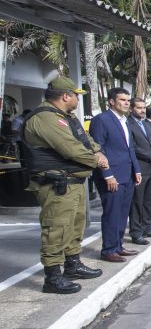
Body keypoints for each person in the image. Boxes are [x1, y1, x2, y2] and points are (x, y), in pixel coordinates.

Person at [21, 76, 106, 293]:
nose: (78, 99)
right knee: (56, 228)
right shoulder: (45, 118)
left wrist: (96, 151)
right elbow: (69, 148)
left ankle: (72, 265)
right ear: (66, 96)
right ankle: (52, 277)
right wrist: (97, 160)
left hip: (72, 182)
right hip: (55, 183)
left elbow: (85, 140)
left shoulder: (66, 117)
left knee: (74, 226)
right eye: (76, 95)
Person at [89, 88, 142, 263]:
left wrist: (137, 170)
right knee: (112, 213)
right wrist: (107, 175)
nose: (127, 103)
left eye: (128, 100)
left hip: (127, 174)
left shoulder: (124, 120)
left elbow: (129, 148)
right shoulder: (101, 120)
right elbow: (98, 149)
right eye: (122, 100)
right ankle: (109, 249)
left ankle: (118, 245)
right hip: (112, 176)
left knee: (122, 212)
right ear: (111, 101)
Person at [127, 99, 151, 245]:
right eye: (138, 108)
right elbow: (133, 146)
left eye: (143, 108)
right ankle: (136, 232)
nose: (142, 110)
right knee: (137, 202)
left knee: (149, 200)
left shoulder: (145, 124)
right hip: (140, 167)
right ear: (131, 109)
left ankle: (147, 226)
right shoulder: (128, 124)